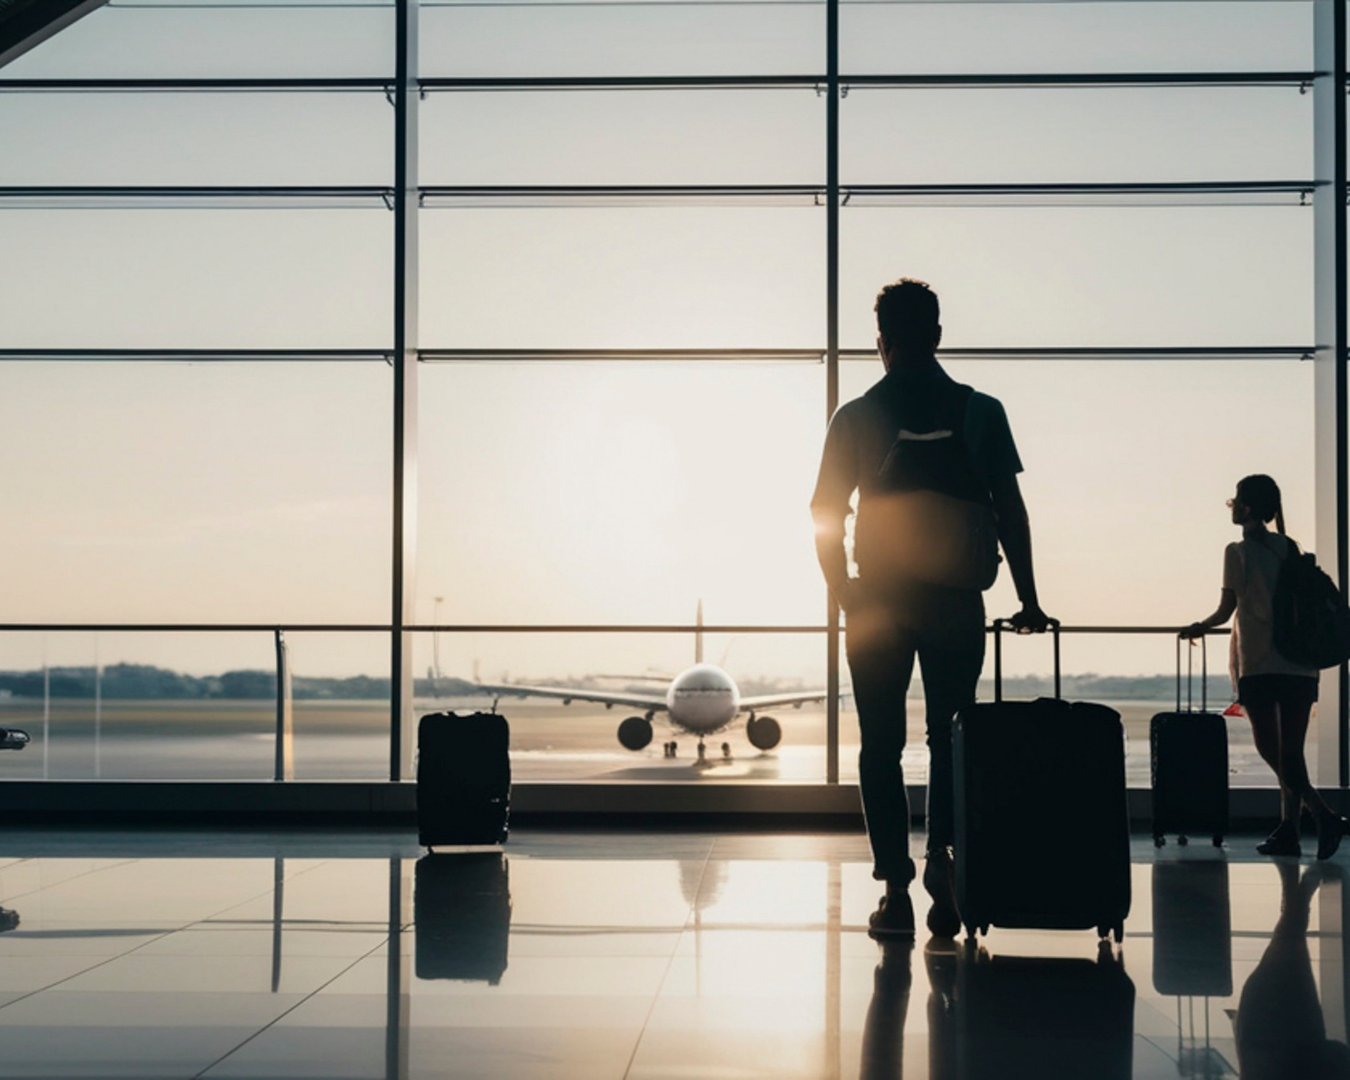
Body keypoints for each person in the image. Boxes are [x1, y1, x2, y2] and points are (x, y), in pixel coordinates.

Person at [811, 278, 1051, 940]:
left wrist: (846, 593)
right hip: (955, 601)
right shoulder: (981, 410)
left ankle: (895, 890)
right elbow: (1010, 512)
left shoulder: (856, 416)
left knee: (880, 747)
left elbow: (824, 514)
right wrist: (1027, 597)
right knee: (949, 738)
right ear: (939, 336)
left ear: (880, 342)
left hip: (878, 604)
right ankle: (943, 861)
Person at [1183, 474, 1350, 859]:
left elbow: (1227, 609)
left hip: (1259, 662)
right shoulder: (1289, 548)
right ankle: (1289, 830)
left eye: (1236, 500)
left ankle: (1324, 814)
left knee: (1270, 749)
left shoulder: (1236, 551)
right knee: (1292, 752)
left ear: (1244, 507)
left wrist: (1200, 626)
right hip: (1301, 665)